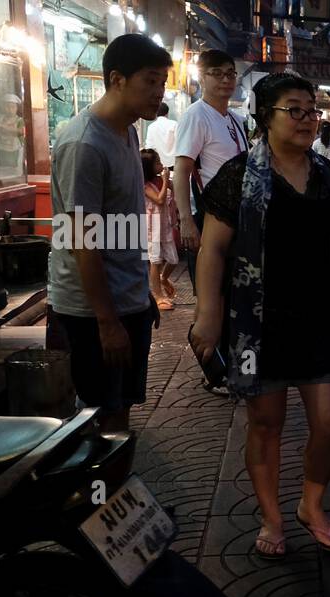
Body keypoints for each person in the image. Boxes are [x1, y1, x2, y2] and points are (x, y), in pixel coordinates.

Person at [189, 73, 330, 559]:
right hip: (256, 323)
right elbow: (213, 251)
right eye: (295, 110)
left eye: (312, 110)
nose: (307, 119)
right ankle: (271, 516)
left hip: (317, 317)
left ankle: (311, 503)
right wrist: (207, 312)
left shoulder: (327, 178)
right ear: (265, 116)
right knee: (266, 423)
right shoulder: (238, 177)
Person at [48, 33, 172, 433]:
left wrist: (141, 296)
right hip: (90, 312)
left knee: (122, 407)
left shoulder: (129, 131)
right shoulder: (83, 144)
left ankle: (115, 491)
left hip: (126, 298)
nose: (159, 92)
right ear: (117, 79)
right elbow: (82, 243)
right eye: (150, 81)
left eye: (162, 83)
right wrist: (107, 321)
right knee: (99, 415)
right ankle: (97, 494)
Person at [173, 49, 247, 291]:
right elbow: (182, 170)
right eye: (217, 74)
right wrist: (185, 220)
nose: (226, 80)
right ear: (201, 77)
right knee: (210, 295)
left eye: (230, 74)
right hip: (208, 217)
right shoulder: (196, 116)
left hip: (237, 217)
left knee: (233, 294)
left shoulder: (236, 119)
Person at [140, 148, 176, 310]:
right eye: (157, 163)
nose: (161, 164)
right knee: (155, 260)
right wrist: (165, 181)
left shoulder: (161, 180)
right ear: (148, 167)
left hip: (165, 225)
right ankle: (158, 295)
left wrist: (169, 183)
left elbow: (175, 191)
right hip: (151, 227)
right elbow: (160, 200)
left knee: (173, 259)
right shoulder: (145, 185)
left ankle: (164, 278)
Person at [143, 101, 177, 168]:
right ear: (167, 113)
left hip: (158, 165)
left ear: (156, 113)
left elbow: (150, 147)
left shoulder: (151, 127)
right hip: (173, 163)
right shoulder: (175, 124)